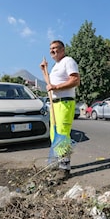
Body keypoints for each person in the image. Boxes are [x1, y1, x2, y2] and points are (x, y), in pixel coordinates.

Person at [40, 40, 80, 182]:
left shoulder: (68, 61)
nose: (53, 51)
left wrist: (56, 88)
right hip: (55, 104)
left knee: (62, 135)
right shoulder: (56, 66)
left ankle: (64, 168)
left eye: (56, 49)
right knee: (54, 135)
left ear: (63, 50)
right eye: (51, 49)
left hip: (64, 103)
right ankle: (59, 162)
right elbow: (50, 85)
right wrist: (44, 70)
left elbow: (75, 80)